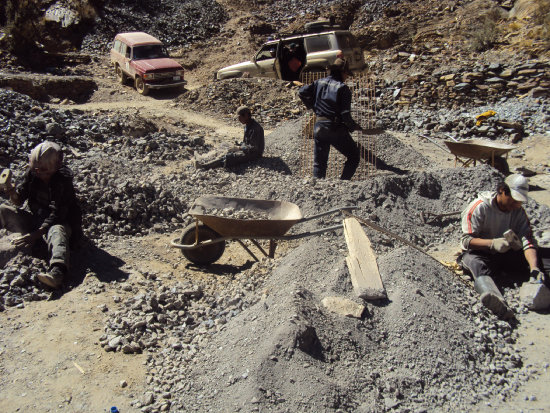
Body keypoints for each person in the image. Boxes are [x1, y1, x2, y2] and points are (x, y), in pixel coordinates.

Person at [458, 174, 549, 319]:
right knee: (473, 261)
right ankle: (495, 299)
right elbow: (466, 241)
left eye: (519, 202)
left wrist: (534, 267)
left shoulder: (517, 211)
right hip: (484, 255)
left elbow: (528, 241)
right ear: (502, 190)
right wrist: (492, 243)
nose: (516, 205)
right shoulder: (480, 207)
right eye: (513, 200)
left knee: (544, 257)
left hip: (508, 255)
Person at [0, 141, 82, 289]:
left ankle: (57, 272)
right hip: (37, 219)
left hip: (61, 223)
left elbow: (57, 214)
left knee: (57, 231)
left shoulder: (63, 180)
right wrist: (12, 192)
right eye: (37, 170)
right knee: (3, 210)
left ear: (55, 168)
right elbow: (19, 201)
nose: (40, 174)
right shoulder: (32, 174)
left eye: (45, 171)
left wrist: (35, 235)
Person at [297, 58, 362, 180]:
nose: (347, 77)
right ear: (342, 72)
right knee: (354, 156)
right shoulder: (343, 88)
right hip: (334, 128)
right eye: (347, 74)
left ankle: (317, 189)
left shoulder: (318, 83)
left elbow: (301, 92)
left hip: (319, 127)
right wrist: (353, 126)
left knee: (319, 163)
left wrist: (313, 107)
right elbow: (345, 115)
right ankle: (343, 183)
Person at [195, 106, 264, 169]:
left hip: (254, 154)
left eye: (239, 117)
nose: (238, 119)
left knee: (229, 157)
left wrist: (239, 148)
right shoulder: (247, 125)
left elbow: (254, 147)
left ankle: (205, 166)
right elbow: (246, 142)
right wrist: (239, 145)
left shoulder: (255, 128)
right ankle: (205, 159)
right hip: (247, 149)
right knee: (224, 146)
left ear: (246, 115)